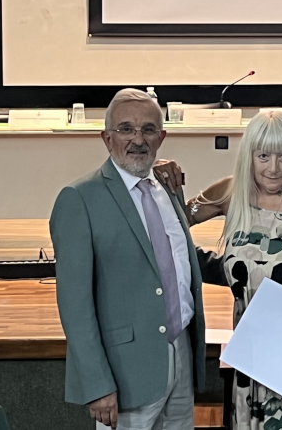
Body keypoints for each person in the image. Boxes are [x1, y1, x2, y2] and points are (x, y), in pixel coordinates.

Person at [155, 110, 282, 430]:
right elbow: (170, 223)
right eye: (263, 156)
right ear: (249, 156)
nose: (273, 168)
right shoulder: (230, 193)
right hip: (256, 356)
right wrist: (159, 180)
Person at [50, 88, 226, 430]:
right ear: (107, 138)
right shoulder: (79, 199)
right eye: (126, 129)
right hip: (125, 372)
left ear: (162, 137)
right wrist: (97, 384)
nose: (138, 139)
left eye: (148, 129)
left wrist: (243, 268)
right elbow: (74, 305)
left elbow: (177, 257)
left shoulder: (167, 187)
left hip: (181, 356)